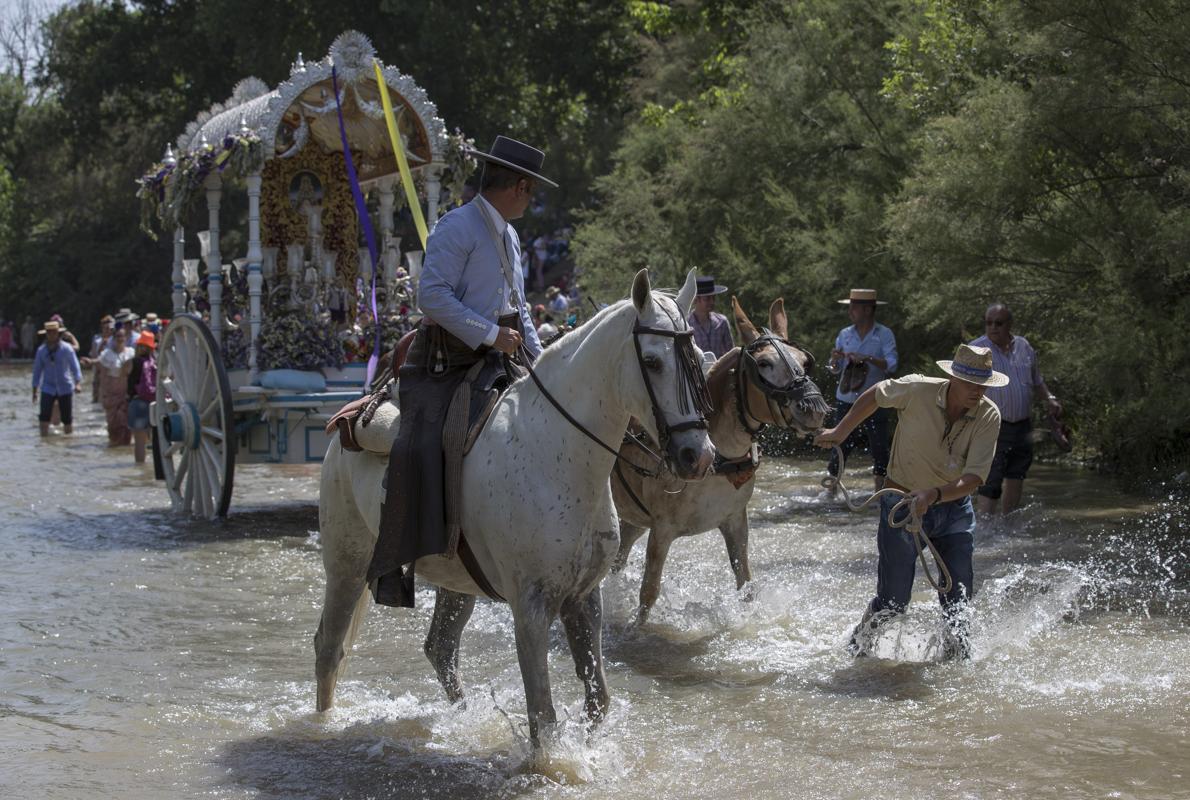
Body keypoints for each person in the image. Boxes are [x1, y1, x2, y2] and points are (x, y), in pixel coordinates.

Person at [367, 135, 551, 608]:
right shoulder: (458, 226)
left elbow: (520, 308)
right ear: (521, 187)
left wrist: (542, 360)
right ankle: (408, 556)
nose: (531, 200)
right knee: (422, 444)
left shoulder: (509, 235)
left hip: (504, 357)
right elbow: (431, 296)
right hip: (446, 362)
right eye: (532, 191)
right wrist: (490, 334)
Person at [814, 344, 1005, 660]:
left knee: (958, 601)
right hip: (901, 505)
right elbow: (877, 393)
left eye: (983, 384)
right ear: (953, 378)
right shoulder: (918, 389)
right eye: (971, 382)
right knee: (893, 602)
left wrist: (935, 494)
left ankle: (957, 666)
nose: (977, 390)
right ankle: (855, 650)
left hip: (953, 509)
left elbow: (974, 478)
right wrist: (840, 431)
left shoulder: (988, 416)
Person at [970, 303, 1062, 515]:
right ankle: (985, 529)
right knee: (990, 478)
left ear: (1010, 324)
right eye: (988, 323)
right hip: (990, 423)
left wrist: (1050, 399)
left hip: (1022, 424)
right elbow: (960, 385)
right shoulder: (976, 349)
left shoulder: (1024, 346)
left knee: (1016, 473)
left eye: (999, 323)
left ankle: (1008, 524)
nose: (993, 327)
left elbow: (1037, 380)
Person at [826, 288, 899, 493]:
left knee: (879, 448)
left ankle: (880, 495)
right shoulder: (844, 334)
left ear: (867, 310)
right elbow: (834, 370)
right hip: (846, 399)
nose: (850, 312)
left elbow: (892, 365)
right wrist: (835, 360)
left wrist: (866, 358)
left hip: (876, 399)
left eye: (854, 307)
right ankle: (831, 492)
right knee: (839, 444)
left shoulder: (884, 334)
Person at [31, 320, 83, 435]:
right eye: (49, 332)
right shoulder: (41, 351)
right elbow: (37, 371)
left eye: (54, 332)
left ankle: (68, 443)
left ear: (58, 333)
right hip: (47, 388)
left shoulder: (67, 348)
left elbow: (75, 367)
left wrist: (78, 383)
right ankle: (44, 443)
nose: (51, 335)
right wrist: (34, 391)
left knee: (67, 419)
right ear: (46, 334)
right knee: (44, 418)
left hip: (65, 387)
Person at [98, 327, 134, 445]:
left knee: (126, 425)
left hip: (126, 393)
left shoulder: (131, 353)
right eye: (117, 336)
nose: (120, 339)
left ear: (126, 338)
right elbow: (103, 377)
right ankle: (114, 448)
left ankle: (125, 449)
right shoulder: (106, 355)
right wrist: (103, 395)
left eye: (122, 336)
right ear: (113, 338)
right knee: (113, 427)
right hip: (111, 394)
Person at [126, 330, 157, 463]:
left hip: (138, 403)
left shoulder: (133, 362)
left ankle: (140, 468)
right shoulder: (155, 362)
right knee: (155, 439)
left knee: (139, 441)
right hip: (155, 403)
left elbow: (121, 374)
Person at [687, 275, 734, 358]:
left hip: (720, 370)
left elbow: (731, 352)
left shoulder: (722, 322)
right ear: (695, 299)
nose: (712, 302)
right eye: (707, 298)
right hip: (696, 369)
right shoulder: (686, 324)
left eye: (713, 298)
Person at [88, 315, 115, 402]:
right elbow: (94, 354)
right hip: (99, 369)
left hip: (111, 369)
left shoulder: (115, 339)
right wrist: (103, 344)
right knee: (97, 393)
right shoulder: (97, 339)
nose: (108, 330)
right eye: (105, 328)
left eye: (110, 328)